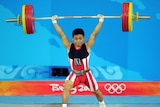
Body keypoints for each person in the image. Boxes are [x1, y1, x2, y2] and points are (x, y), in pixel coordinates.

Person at [51, 14, 106, 107]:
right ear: (73, 38)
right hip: (75, 74)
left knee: (96, 92)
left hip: (86, 74)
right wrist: (54, 21)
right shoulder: (69, 46)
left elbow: (94, 33)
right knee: (66, 87)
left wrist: (101, 20)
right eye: (76, 39)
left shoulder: (87, 46)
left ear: (83, 38)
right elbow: (61, 34)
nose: (78, 41)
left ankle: (102, 104)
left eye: (80, 38)